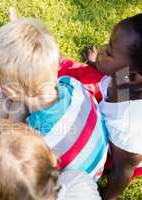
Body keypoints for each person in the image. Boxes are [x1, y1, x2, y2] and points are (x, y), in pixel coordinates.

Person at [0, 17, 108, 181]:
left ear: (9, 91)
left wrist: (1, 113)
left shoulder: (33, 142)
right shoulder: (72, 84)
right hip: (94, 168)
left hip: (68, 188)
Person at [83, 13, 142, 200]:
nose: (101, 49)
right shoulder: (124, 77)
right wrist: (97, 63)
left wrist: (110, 196)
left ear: (133, 77)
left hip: (121, 154)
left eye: (109, 51)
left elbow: (123, 170)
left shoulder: (129, 126)